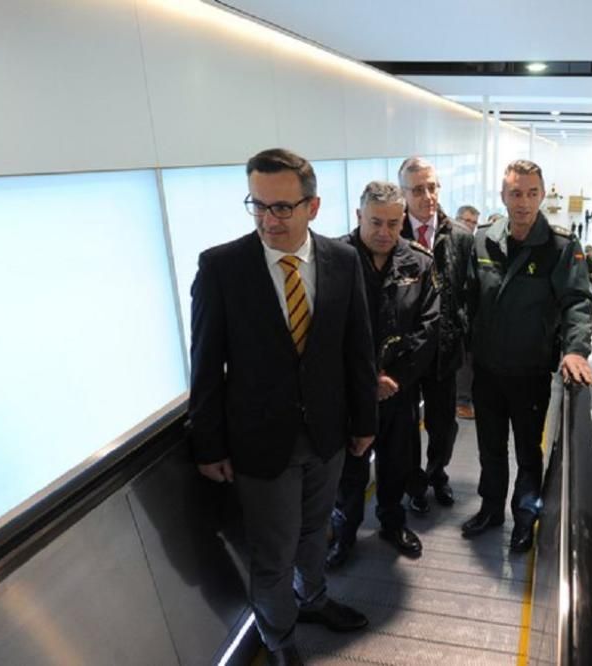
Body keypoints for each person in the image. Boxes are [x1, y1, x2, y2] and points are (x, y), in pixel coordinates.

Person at [189, 148, 377, 665]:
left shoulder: (342, 261)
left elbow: (358, 347)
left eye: (282, 208)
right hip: (259, 441)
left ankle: (313, 598)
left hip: (328, 433)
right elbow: (205, 364)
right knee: (272, 553)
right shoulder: (222, 267)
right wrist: (208, 444)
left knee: (318, 530)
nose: (269, 219)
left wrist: (365, 421)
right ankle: (280, 637)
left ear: (312, 207)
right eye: (259, 205)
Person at [463, 160, 592, 553]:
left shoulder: (559, 246)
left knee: (526, 450)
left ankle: (525, 517)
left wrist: (575, 350)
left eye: (531, 193)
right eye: (515, 193)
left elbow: (577, 302)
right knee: (489, 446)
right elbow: (469, 299)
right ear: (503, 196)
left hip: (530, 370)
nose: (523, 203)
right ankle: (490, 508)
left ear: (542, 194)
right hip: (487, 369)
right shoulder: (484, 239)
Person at [326, 182, 440, 569]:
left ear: (403, 219)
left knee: (396, 464)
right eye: (375, 222)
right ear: (359, 216)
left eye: (394, 223)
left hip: (399, 391)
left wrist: (395, 379)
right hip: (347, 395)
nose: (385, 232)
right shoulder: (333, 260)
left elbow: (428, 327)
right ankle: (344, 535)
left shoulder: (419, 263)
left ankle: (393, 524)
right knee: (350, 472)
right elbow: (325, 332)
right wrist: (366, 381)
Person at [397, 157, 474, 513]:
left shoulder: (459, 235)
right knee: (406, 424)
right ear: (403, 193)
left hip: (444, 350)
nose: (428, 196)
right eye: (417, 189)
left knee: (443, 424)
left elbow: (468, 290)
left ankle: (437, 473)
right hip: (406, 352)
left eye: (432, 187)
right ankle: (414, 483)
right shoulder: (391, 234)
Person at [453, 205, 481, 419]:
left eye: (473, 222)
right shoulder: (450, 243)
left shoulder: (476, 246)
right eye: (466, 220)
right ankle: (461, 400)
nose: (469, 225)